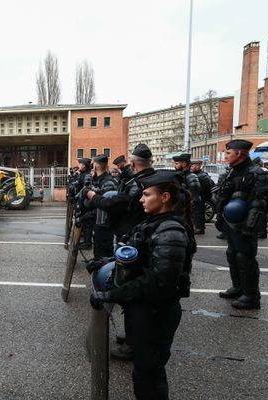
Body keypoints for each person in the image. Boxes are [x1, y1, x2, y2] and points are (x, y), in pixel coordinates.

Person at [90, 170, 196, 400]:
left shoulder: (171, 231)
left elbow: (159, 283)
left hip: (155, 313)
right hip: (143, 310)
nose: (141, 199)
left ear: (165, 197)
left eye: (147, 194)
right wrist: (108, 262)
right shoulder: (155, 223)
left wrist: (113, 294)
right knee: (144, 372)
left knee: (149, 377)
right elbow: (138, 255)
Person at [85, 143, 156, 361]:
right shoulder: (142, 180)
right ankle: (134, 336)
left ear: (133, 163)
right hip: (133, 238)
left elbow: (116, 203)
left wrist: (93, 197)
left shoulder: (141, 184)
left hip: (139, 241)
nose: (143, 199)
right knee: (129, 290)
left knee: (133, 290)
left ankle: (136, 345)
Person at [216, 140, 268, 309]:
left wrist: (250, 226)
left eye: (228, 153)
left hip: (245, 224)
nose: (226, 156)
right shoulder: (230, 172)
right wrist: (220, 216)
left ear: (239, 153)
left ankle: (251, 296)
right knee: (232, 254)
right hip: (230, 223)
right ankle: (239, 288)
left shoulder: (257, 173)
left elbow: (260, 203)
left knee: (245, 257)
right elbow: (223, 197)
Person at [84, 154, 117, 259]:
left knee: (104, 255)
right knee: (98, 252)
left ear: (96, 166)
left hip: (104, 224)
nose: (91, 166)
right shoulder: (96, 179)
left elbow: (105, 204)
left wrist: (89, 202)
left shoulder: (108, 182)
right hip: (97, 222)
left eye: (93, 164)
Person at [173, 153, 202, 232]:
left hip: (188, 212)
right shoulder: (180, 176)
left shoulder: (192, 177)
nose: (174, 166)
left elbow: (194, 197)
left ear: (184, 164)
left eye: (176, 163)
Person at [190, 160, 215, 234]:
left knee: (199, 213)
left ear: (198, 165)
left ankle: (200, 228)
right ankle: (198, 227)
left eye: (193, 165)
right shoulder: (194, 174)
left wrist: (203, 197)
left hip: (200, 197)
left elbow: (207, 188)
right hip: (196, 197)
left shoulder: (203, 175)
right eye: (191, 165)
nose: (192, 167)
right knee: (195, 213)